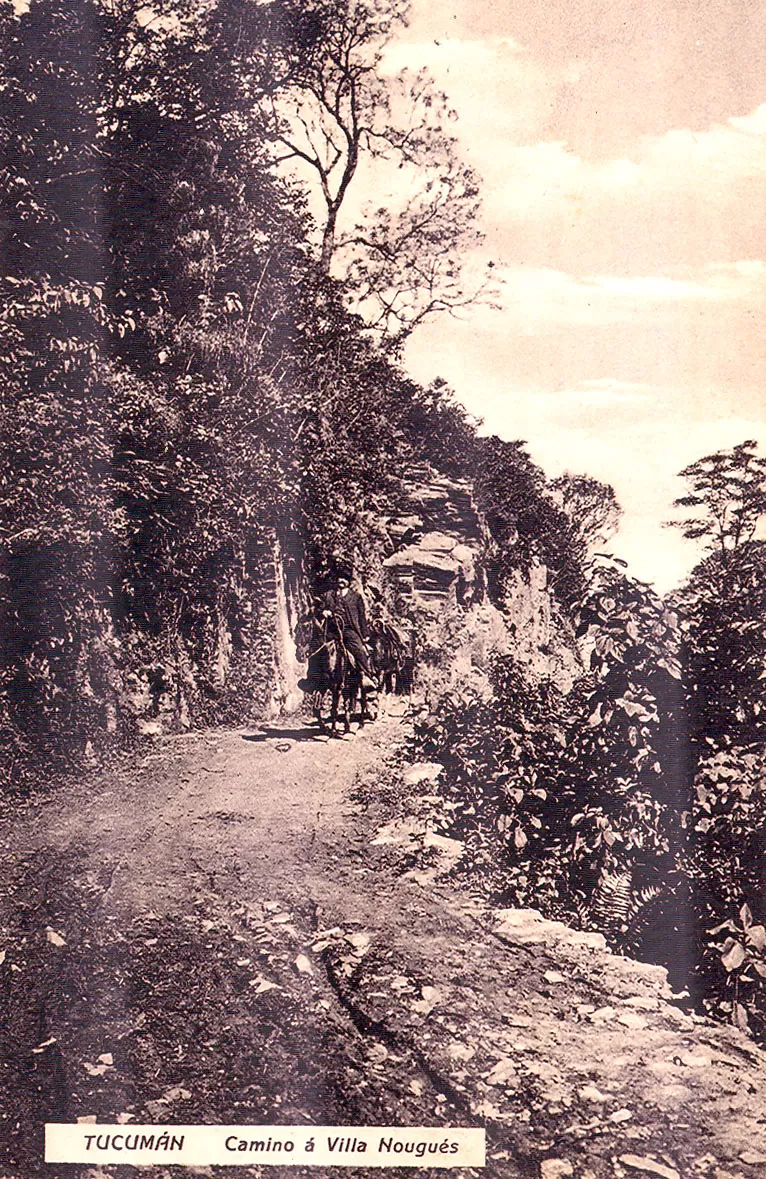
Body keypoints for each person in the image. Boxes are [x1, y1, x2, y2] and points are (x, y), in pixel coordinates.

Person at [322, 563, 377, 690]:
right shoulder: (329, 595)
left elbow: (362, 617)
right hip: (331, 631)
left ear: (349, 581)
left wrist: (365, 635)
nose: (341, 581)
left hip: (349, 631)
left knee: (360, 651)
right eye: (339, 578)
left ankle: (367, 676)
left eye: (344, 578)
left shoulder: (356, 597)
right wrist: (324, 612)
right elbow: (317, 607)